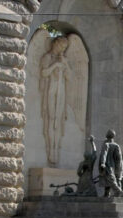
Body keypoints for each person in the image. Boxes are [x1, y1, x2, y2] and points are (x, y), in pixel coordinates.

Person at [40, 36, 71, 165]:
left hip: (61, 92)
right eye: (60, 46)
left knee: (58, 121)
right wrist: (56, 65)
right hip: (50, 91)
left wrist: (65, 64)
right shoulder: (48, 57)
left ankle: (56, 149)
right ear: (55, 43)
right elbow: (44, 73)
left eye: (64, 48)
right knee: (51, 119)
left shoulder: (63, 59)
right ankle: (50, 149)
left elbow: (69, 77)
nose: (61, 50)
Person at [99, 129, 123, 197]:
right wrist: (120, 166)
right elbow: (119, 157)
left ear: (107, 135)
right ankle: (107, 194)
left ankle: (118, 192)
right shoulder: (116, 145)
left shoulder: (106, 144)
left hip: (108, 165)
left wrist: (103, 163)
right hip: (116, 165)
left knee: (110, 179)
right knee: (112, 179)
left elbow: (104, 154)